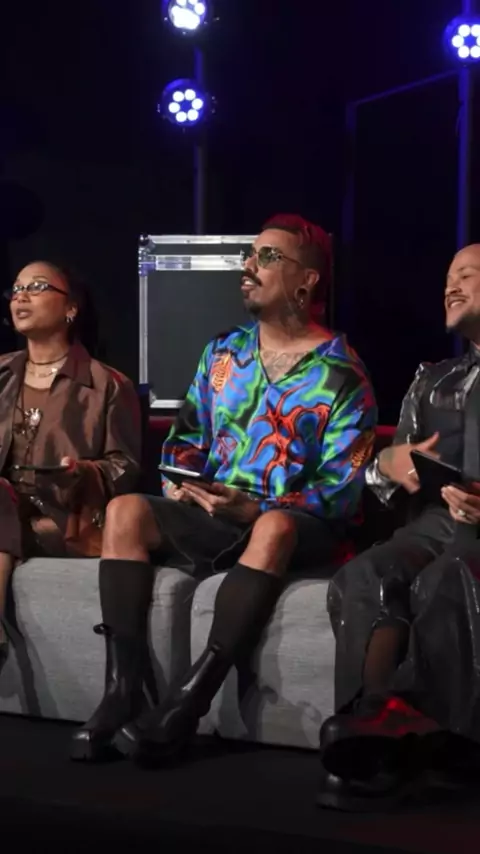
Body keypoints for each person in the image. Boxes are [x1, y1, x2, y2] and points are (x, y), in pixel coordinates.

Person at [70, 213, 377, 763]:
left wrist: (257, 509)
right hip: (216, 512)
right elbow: (185, 441)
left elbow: (341, 489)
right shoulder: (223, 353)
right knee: (125, 511)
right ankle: (122, 692)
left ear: (307, 280)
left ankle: (187, 704)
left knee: (273, 526)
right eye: (249, 255)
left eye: (267, 257)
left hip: (298, 527)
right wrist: (184, 483)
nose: (248, 266)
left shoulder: (342, 374)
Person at [317, 243, 480, 812]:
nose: (450, 286)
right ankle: (371, 722)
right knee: (368, 573)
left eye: (467, 274)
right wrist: (388, 463)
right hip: (435, 519)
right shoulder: (432, 380)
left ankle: (443, 747)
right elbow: (378, 475)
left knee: (447, 579)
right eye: (447, 276)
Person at [0, 260, 141, 671]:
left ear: (71, 308)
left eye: (37, 287)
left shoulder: (108, 384)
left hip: (64, 518)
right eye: (17, 288)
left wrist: (83, 472)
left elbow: (126, 467)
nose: (21, 296)